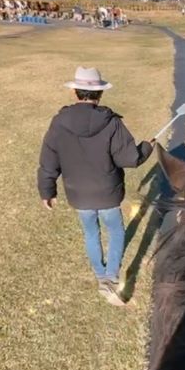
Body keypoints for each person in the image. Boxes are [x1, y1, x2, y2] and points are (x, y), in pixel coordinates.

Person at [37, 67, 154, 305]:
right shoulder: (111, 122)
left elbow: (48, 160)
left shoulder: (58, 122)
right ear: (99, 94)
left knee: (91, 232)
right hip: (107, 193)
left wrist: (47, 191)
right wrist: (147, 147)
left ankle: (102, 276)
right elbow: (130, 158)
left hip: (79, 195)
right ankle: (109, 276)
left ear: (75, 93)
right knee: (116, 231)